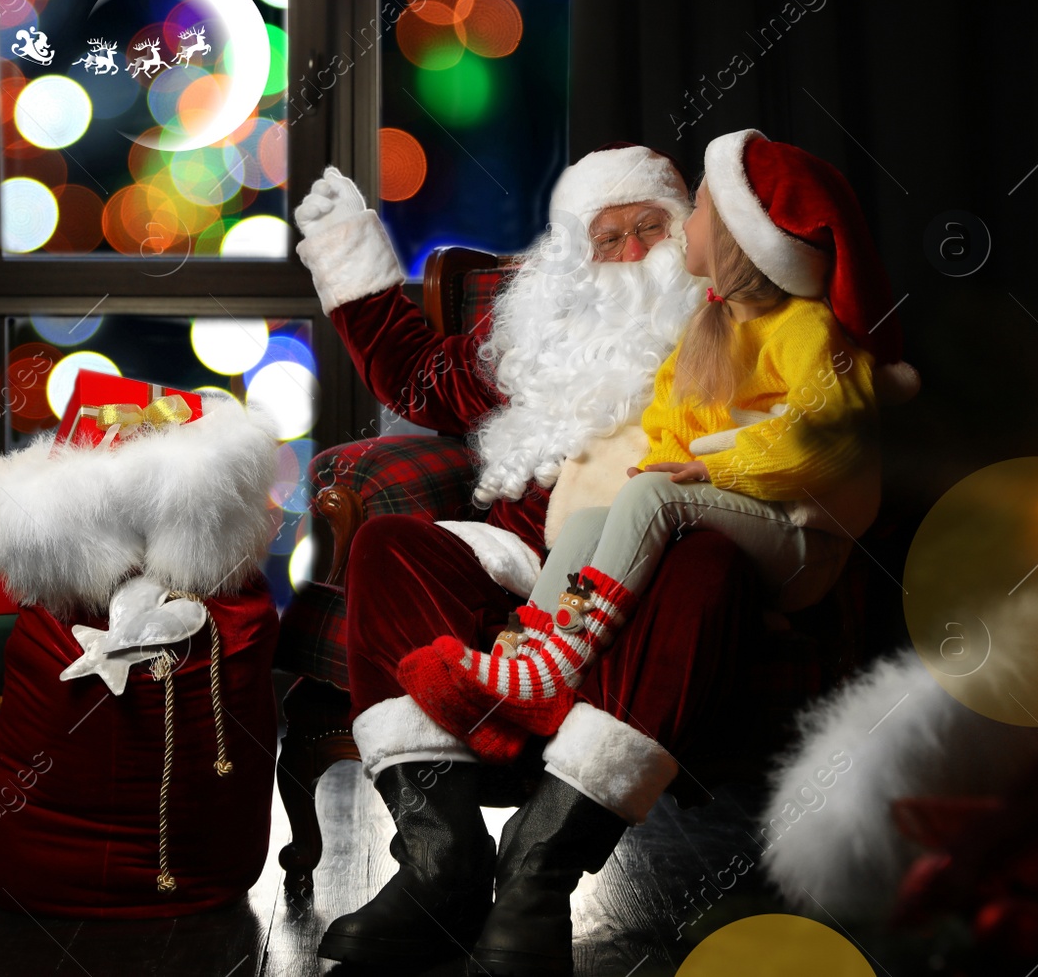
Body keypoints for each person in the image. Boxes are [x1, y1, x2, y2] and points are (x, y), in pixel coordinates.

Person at [293, 142, 804, 974]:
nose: (635, 253)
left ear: (691, 236)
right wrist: (354, 256)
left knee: (709, 568)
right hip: (530, 564)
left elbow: (813, 422)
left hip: (662, 566)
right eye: (609, 238)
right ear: (574, 257)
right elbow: (419, 380)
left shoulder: (746, 330)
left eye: (652, 228)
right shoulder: (536, 342)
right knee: (389, 546)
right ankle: (441, 864)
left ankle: (536, 873)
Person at [400, 130, 916, 775]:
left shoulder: (804, 328)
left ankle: (559, 664)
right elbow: (672, 421)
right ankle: (528, 648)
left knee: (647, 496)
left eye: (692, 211)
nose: (680, 228)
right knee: (598, 516)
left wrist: (710, 467)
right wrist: (663, 461)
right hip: (739, 513)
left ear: (738, 237)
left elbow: (828, 434)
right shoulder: (707, 325)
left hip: (799, 535)